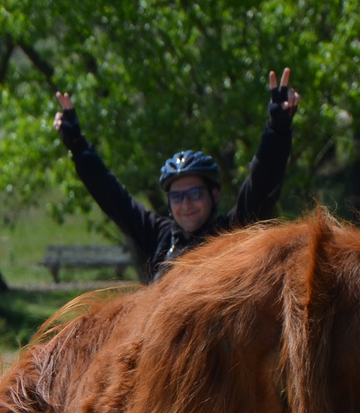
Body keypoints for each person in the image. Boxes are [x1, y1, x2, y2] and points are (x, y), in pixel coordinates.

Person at [54, 69, 299, 282]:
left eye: (194, 193)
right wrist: (78, 146)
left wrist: (277, 129)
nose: (186, 204)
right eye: (177, 197)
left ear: (214, 195)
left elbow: (262, 181)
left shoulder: (232, 233)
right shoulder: (160, 237)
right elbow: (112, 196)